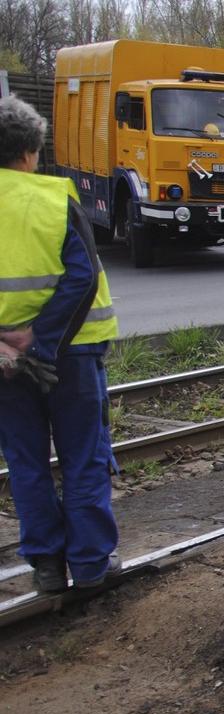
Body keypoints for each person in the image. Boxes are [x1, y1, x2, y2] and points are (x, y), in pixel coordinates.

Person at [0, 95, 120, 592]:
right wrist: (41, 340)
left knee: (25, 463)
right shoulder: (53, 198)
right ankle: (91, 566)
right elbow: (81, 278)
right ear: (31, 152)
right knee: (83, 455)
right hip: (72, 352)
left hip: (4, 363)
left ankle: (47, 568)